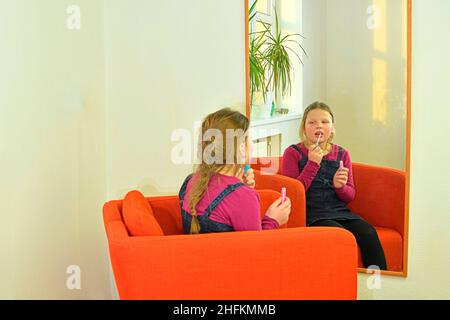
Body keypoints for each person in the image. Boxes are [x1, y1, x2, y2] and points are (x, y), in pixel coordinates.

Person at [281, 101, 387, 270]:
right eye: (312, 122)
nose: (319, 126)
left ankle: (378, 285)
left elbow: (349, 196)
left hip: (338, 210)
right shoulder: (292, 153)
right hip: (310, 213)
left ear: (332, 127)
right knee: (340, 235)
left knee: (368, 232)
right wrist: (312, 164)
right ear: (304, 128)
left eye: (324, 122)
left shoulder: (342, 153)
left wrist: (340, 186)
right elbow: (294, 195)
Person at [179, 107, 291, 234]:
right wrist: (273, 220)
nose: (252, 144)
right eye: (250, 138)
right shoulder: (243, 197)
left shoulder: (191, 180)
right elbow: (256, 249)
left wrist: (239, 184)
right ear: (241, 148)